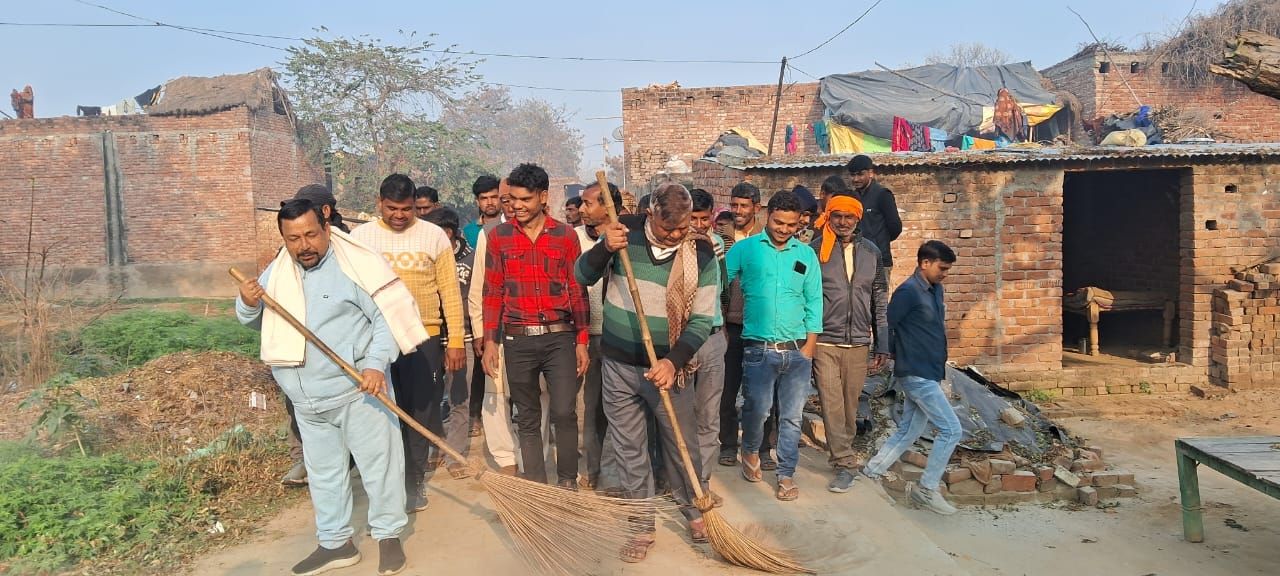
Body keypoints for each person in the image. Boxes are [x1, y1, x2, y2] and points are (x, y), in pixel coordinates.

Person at [236, 199, 412, 576]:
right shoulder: (278, 272)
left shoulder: (355, 267)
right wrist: (247, 303)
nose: (304, 246)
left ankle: (388, 536)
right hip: (307, 401)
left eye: (311, 235)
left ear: (326, 228)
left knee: (380, 467)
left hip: (359, 393)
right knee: (324, 475)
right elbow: (257, 321)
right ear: (284, 239)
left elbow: (386, 319)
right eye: (294, 239)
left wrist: (375, 365)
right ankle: (335, 543)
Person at [575, 183, 719, 560]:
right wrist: (604, 248)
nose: (675, 235)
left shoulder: (701, 252)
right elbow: (582, 276)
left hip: (669, 369)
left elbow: (702, 320)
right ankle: (641, 524)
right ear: (649, 214)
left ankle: (695, 511)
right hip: (619, 366)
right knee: (630, 448)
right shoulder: (623, 232)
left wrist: (673, 361)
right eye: (667, 228)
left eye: (682, 227)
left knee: (681, 445)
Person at [351, 173, 466, 513]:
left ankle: (413, 483)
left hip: (423, 338)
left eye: (406, 209)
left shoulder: (433, 236)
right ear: (379, 204)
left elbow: (449, 292)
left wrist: (455, 340)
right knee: (383, 415)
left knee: (419, 413)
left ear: (416, 205)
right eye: (392, 209)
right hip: (376, 340)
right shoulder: (361, 238)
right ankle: (387, 485)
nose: (399, 215)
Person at [481, 163, 589, 487]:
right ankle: (538, 486)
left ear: (543, 197)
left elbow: (577, 290)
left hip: (560, 338)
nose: (517, 206)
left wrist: (582, 341)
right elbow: (493, 291)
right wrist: (490, 341)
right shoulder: (498, 237)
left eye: (525, 199)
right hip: (518, 340)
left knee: (564, 412)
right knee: (526, 417)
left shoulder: (566, 236)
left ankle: (567, 482)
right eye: (512, 199)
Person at [725, 189, 822, 502]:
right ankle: (750, 450)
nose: (784, 229)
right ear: (768, 215)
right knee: (758, 409)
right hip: (758, 349)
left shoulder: (805, 255)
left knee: (792, 417)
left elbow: (814, 300)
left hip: (798, 351)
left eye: (791, 225)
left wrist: (810, 345)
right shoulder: (746, 249)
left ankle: (786, 474)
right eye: (779, 222)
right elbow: (718, 280)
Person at [860, 240, 961, 515]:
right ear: (924, 263)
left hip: (930, 370)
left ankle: (871, 472)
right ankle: (927, 489)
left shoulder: (935, 289)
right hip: (915, 372)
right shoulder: (908, 292)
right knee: (951, 430)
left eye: (948, 269)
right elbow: (887, 324)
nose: (945, 274)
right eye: (942, 268)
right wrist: (885, 353)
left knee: (909, 430)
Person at [808, 195, 890, 493]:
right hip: (824, 342)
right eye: (837, 216)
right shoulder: (814, 251)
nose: (843, 222)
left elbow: (879, 299)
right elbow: (805, 296)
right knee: (831, 405)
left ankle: (842, 453)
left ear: (858, 219)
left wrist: (882, 343)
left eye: (849, 217)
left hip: (858, 344)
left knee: (849, 406)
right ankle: (845, 463)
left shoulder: (871, 252)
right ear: (828, 217)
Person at [718, 182, 777, 470]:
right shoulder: (721, 238)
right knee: (727, 391)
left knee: (762, 393)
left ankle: (762, 448)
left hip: (761, 326)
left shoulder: (768, 238)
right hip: (729, 326)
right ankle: (728, 445)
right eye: (734, 205)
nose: (738, 211)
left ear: (757, 207)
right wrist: (719, 323)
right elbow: (718, 283)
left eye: (744, 206)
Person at [575, 180, 626, 491]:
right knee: (592, 408)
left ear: (608, 207)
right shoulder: (575, 239)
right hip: (590, 335)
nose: (582, 209)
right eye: (581, 202)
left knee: (621, 410)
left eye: (588, 203)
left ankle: (621, 474)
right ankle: (593, 469)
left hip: (621, 336)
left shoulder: (627, 238)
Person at [422, 207, 477, 480]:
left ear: (450, 232)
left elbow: (477, 297)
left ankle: (455, 453)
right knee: (429, 397)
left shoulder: (471, 258)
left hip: (462, 338)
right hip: (431, 336)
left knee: (459, 398)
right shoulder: (423, 256)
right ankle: (435, 445)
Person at [687, 188, 728, 506]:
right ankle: (675, 480)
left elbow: (723, 288)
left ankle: (701, 484)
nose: (699, 225)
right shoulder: (672, 245)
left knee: (708, 416)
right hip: (681, 339)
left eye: (705, 219)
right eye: (694, 219)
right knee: (676, 416)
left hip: (712, 336)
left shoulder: (717, 244)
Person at [846, 155, 903, 271]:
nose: (856, 179)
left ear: (871, 173)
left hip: (880, 260)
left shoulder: (882, 194)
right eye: (852, 175)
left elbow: (895, 227)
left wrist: (880, 240)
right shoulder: (852, 197)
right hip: (858, 260)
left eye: (860, 174)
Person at [462, 175, 503, 251]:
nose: (489, 202)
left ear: (501, 198)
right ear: (477, 201)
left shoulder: (512, 225)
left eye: (494, 197)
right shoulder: (468, 231)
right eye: (484, 198)